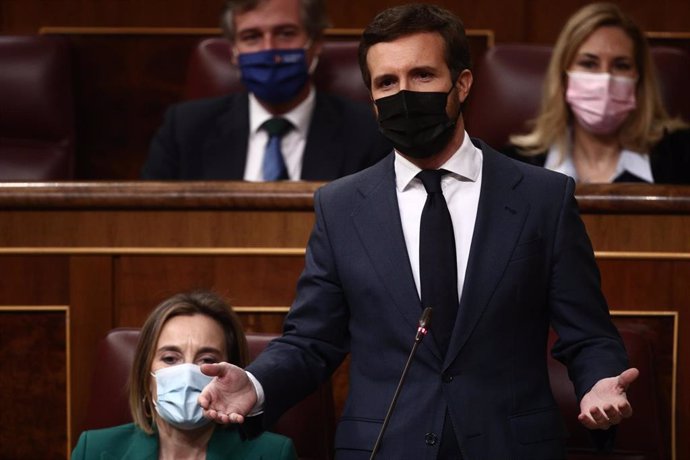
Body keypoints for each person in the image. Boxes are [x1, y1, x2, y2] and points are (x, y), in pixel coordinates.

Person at [197, 4, 639, 459]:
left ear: (462, 84)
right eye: (387, 82)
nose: (404, 94)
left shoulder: (542, 198)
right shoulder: (342, 205)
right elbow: (312, 339)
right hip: (384, 446)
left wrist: (599, 382)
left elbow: (588, 335)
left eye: (423, 75)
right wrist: (255, 383)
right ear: (370, 97)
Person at [141, 0, 392, 181]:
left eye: (285, 33)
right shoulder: (184, 129)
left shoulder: (367, 131)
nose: (269, 50)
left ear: (316, 43)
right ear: (234, 52)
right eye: (252, 36)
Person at [71, 291, 297, 460]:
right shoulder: (93, 449)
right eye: (170, 358)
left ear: (230, 372)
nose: (187, 375)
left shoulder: (273, 454)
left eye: (207, 360)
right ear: (145, 374)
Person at [504, 2, 690, 184]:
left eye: (621, 65)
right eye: (589, 63)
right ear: (563, 77)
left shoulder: (681, 157)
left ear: (639, 80)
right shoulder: (514, 166)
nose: (605, 79)